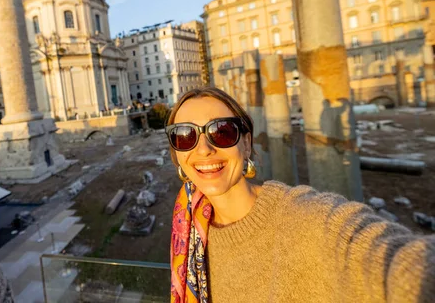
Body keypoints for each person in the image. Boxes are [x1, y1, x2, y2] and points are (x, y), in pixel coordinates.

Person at [166, 86, 435, 303]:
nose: (203, 150)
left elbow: (393, 262)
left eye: (221, 132)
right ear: (177, 154)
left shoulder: (305, 218)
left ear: (246, 144)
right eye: (184, 135)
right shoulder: (189, 229)